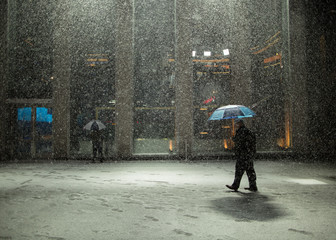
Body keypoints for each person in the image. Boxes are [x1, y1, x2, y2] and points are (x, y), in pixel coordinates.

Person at [226, 119, 258, 192]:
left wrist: (234, 138)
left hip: (242, 154)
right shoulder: (247, 131)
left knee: (239, 170)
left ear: (240, 123)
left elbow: (239, 142)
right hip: (248, 154)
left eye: (237, 123)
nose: (236, 125)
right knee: (250, 170)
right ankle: (253, 186)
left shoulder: (241, 132)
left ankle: (235, 185)